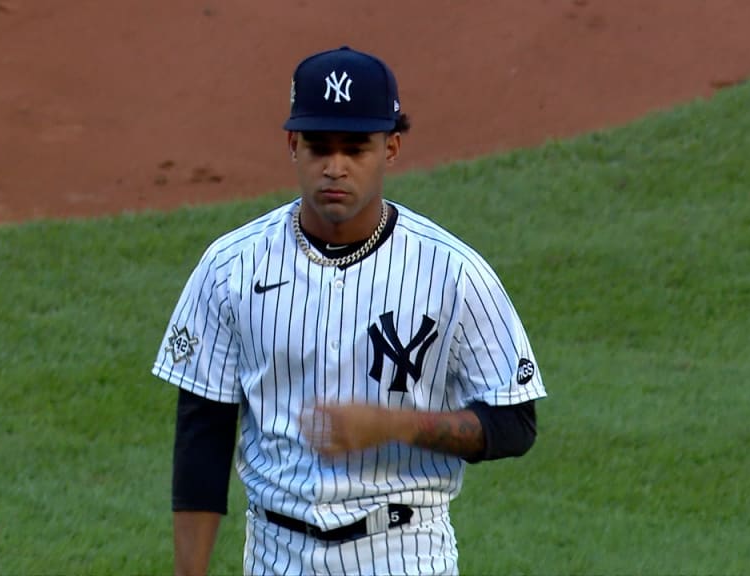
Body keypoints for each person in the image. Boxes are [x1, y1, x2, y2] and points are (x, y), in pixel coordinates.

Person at [152, 46, 547, 576]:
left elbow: (515, 421)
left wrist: (392, 425)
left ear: (391, 148)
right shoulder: (231, 268)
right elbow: (204, 433)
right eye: (319, 147)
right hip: (275, 555)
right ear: (294, 145)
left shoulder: (452, 273)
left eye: (355, 148)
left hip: (403, 553)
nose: (334, 167)